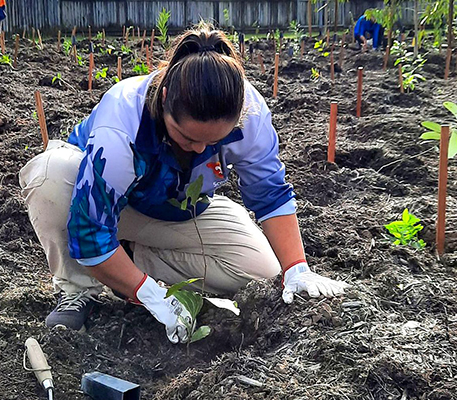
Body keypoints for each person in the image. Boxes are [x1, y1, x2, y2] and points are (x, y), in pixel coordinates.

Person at [19, 23, 349, 344]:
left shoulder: (251, 115)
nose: (201, 150)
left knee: (261, 270)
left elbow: (270, 195)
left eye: (214, 142)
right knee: (49, 176)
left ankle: (126, 261)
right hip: (103, 204)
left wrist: (297, 269)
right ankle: (79, 289)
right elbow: (90, 232)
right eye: (188, 137)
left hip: (179, 210)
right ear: (164, 101)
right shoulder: (122, 124)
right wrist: (150, 294)